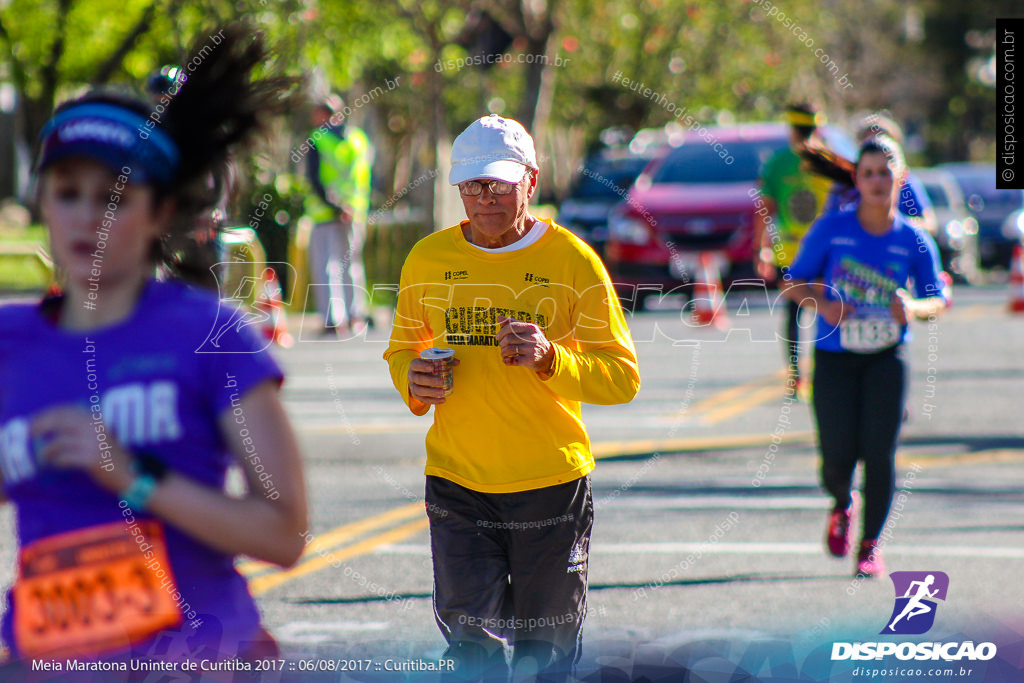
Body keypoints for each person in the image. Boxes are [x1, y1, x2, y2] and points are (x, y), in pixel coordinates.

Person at [0, 25, 307, 670]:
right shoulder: (10, 341)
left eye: (116, 197)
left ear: (161, 212)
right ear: (43, 205)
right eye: (68, 194)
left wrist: (132, 475)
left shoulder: (210, 336)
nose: (89, 217)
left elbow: (282, 531)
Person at [383, 114, 640, 681]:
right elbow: (404, 350)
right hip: (458, 485)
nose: (485, 198)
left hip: (550, 487)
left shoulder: (572, 260)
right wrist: (413, 380)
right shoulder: (427, 259)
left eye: (498, 184)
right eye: (472, 185)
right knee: (472, 650)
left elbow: (622, 378)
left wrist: (552, 359)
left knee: (543, 659)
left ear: (532, 180)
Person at [783, 135, 948, 578]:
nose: (877, 181)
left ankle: (871, 545)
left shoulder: (913, 240)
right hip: (835, 356)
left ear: (901, 178)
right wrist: (825, 304)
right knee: (837, 456)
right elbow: (792, 282)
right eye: (868, 173)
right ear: (857, 179)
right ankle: (842, 502)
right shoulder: (832, 229)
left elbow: (938, 297)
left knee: (880, 453)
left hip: (886, 357)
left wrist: (914, 308)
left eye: (885, 173)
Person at [757, 104, 833, 391]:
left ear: (791, 129)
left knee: (793, 313)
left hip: (790, 253)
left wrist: (760, 249)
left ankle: (795, 375)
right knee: (828, 309)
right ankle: (825, 371)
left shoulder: (778, 161)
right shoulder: (832, 161)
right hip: (827, 252)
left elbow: (764, 209)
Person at [304, 95, 374, 336]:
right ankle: (357, 315)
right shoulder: (359, 139)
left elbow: (314, 179)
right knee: (352, 264)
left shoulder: (318, 140)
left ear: (323, 114)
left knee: (327, 265)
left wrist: (335, 206)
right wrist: (350, 207)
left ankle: (334, 319)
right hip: (354, 211)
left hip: (326, 213)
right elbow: (363, 177)